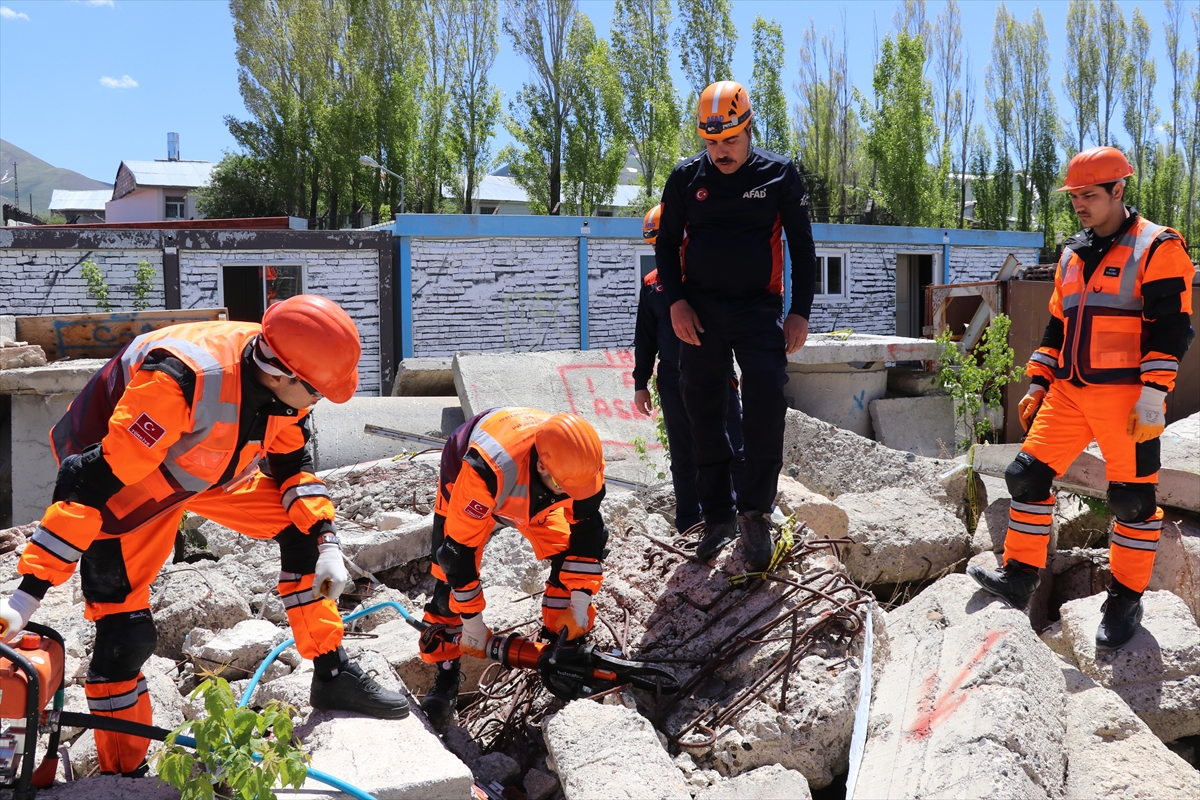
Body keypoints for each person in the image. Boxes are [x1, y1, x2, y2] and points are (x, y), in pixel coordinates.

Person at [0, 295, 410, 777]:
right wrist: (27, 597)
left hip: (207, 468)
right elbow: (88, 483)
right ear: (280, 374)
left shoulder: (288, 363)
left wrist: (326, 540)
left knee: (296, 524)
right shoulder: (178, 381)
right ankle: (121, 770)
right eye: (318, 392)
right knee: (124, 631)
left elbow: (291, 463)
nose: (321, 400)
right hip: (126, 474)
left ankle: (332, 671)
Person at [968, 146, 1194, 650]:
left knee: (1132, 501)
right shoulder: (1072, 253)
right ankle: (1021, 576)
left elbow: (1173, 329)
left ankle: (1125, 598)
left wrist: (1155, 395)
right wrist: (1038, 382)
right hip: (1070, 394)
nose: (1080, 205)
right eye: (1074, 197)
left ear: (1119, 190)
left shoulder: (1158, 246)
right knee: (1025, 475)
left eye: (1089, 195)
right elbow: (1057, 325)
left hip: (1130, 400)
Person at [654, 80, 817, 571]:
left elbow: (803, 248)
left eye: (729, 141)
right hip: (699, 312)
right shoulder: (685, 179)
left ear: (747, 129)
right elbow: (665, 247)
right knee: (702, 409)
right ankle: (718, 515)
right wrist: (677, 303)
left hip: (758, 308)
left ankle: (754, 513)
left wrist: (800, 311)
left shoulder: (779, 174)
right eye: (710, 143)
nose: (720, 152)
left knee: (766, 396)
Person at [418, 408, 608, 729]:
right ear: (540, 465)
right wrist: (473, 625)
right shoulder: (485, 470)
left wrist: (579, 605)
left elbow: (587, 537)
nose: (574, 496)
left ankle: (562, 643)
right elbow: (458, 553)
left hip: (534, 486)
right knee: (445, 578)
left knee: (567, 549)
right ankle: (446, 677)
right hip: (473, 467)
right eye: (566, 488)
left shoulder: (579, 471)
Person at [633, 203, 746, 535]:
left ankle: (745, 520)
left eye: (664, 243)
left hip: (714, 373)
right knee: (683, 456)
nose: (661, 251)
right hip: (672, 378)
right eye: (654, 246)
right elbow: (645, 337)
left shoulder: (710, 277)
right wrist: (641, 383)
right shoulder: (653, 284)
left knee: (734, 450)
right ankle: (691, 526)